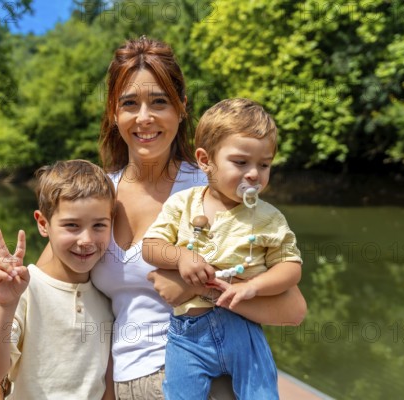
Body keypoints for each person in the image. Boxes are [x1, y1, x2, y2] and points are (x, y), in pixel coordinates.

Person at [38, 37, 307, 400]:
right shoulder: (97, 195)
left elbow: (293, 309)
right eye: (130, 103)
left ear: (181, 108)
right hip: (126, 383)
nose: (144, 117)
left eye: (159, 102)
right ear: (114, 114)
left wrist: (200, 289)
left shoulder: (214, 188)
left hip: (208, 383)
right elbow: (40, 289)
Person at [142, 98, 303, 399]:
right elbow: (150, 247)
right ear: (205, 160)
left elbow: (290, 268)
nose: (254, 174)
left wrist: (254, 286)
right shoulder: (183, 203)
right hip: (188, 335)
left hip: (244, 328)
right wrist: (181, 256)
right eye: (241, 162)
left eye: (264, 164)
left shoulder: (268, 217)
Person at [0, 160, 116, 400]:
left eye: (99, 225)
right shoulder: (25, 288)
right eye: (72, 225)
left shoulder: (108, 294)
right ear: (43, 224)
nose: (86, 239)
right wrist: (4, 304)